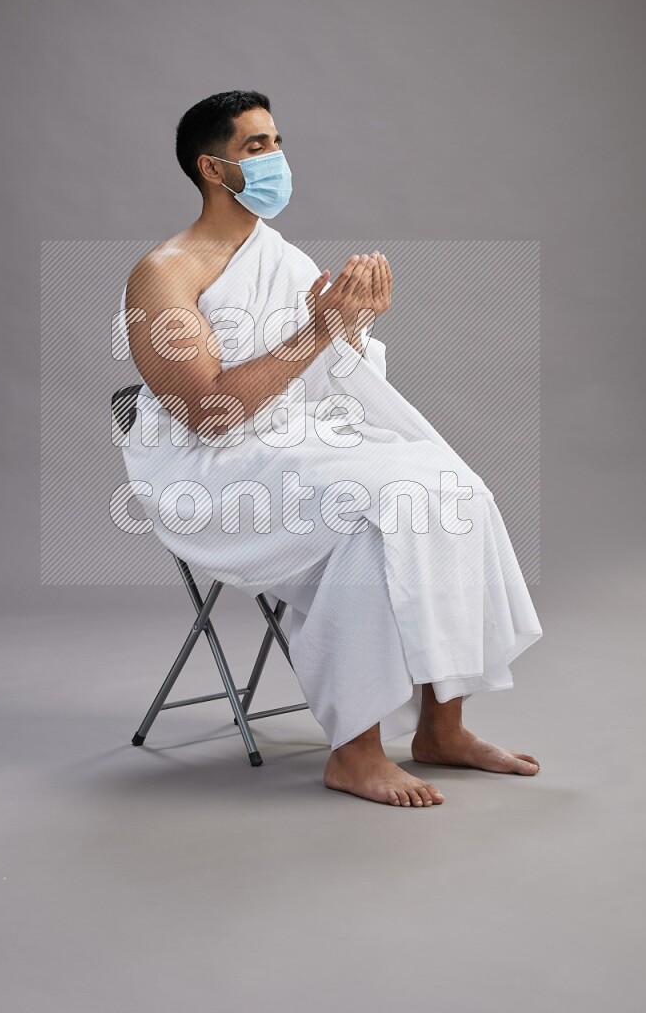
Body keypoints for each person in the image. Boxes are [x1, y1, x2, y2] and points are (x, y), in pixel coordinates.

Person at [121, 89, 543, 807]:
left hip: (297, 443)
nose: (276, 158)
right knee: (373, 507)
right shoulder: (164, 273)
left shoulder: (279, 258)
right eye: (257, 146)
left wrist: (351, 330)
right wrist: (322, 330)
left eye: (278, 141)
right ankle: (354, 751)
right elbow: (209, 412)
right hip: (214, 471)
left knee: (452, 483)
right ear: (211, 167)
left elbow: (320, 382)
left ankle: (443, 727)